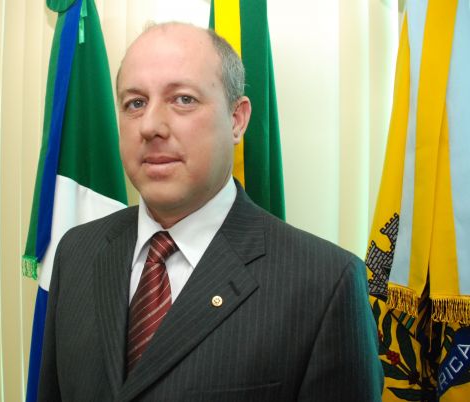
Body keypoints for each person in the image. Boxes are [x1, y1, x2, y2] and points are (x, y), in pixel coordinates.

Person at [37, 22, 383, 401]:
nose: (150, 126)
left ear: (237, 120)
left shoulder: (326, 285)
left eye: (183, 99)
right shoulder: (76, 253)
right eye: (135, 103)